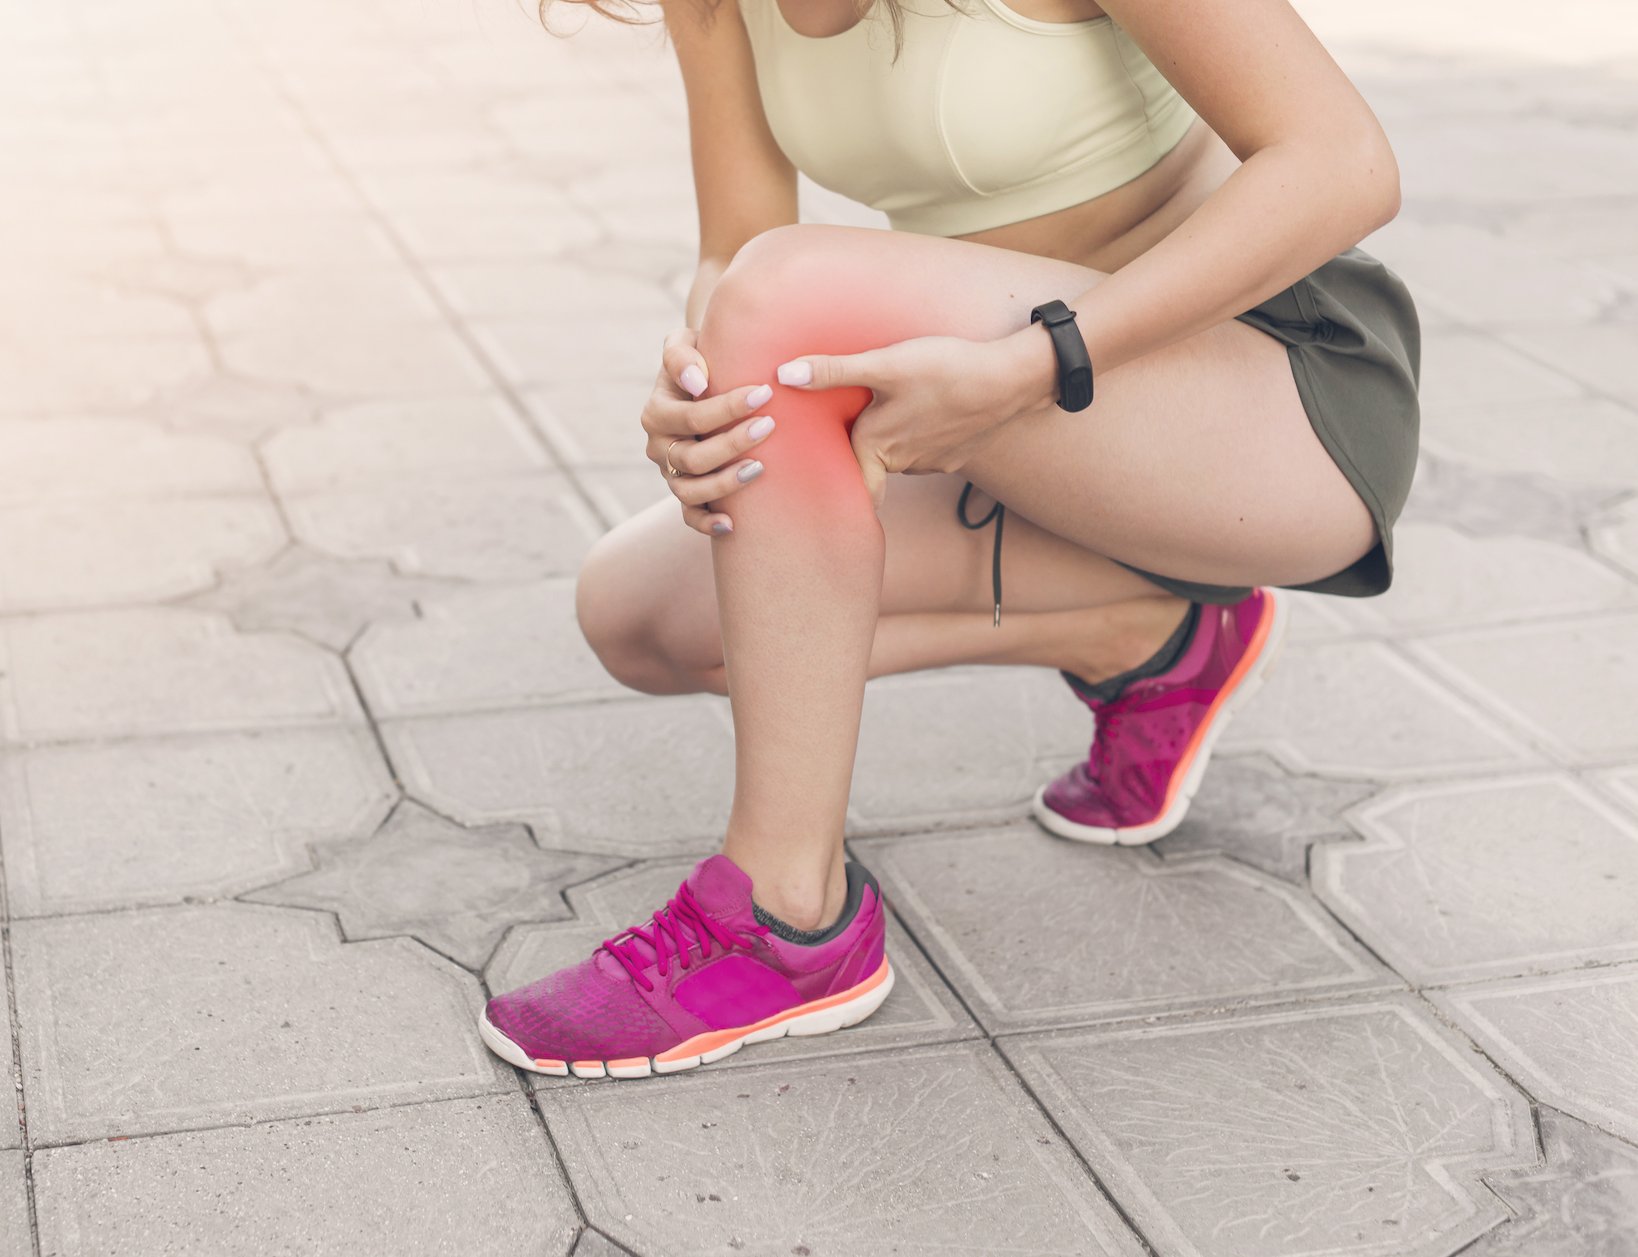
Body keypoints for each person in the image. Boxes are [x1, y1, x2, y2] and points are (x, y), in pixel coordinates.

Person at [477, 0, 1419, 1079]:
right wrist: (697, 390)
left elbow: (1345, 161)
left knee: (794, 298)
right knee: (643, 616)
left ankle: (786, 917)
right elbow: (732, 248)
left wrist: (1036, 360)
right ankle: (1151, 635)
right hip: (1034, 431)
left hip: (1267, 391)